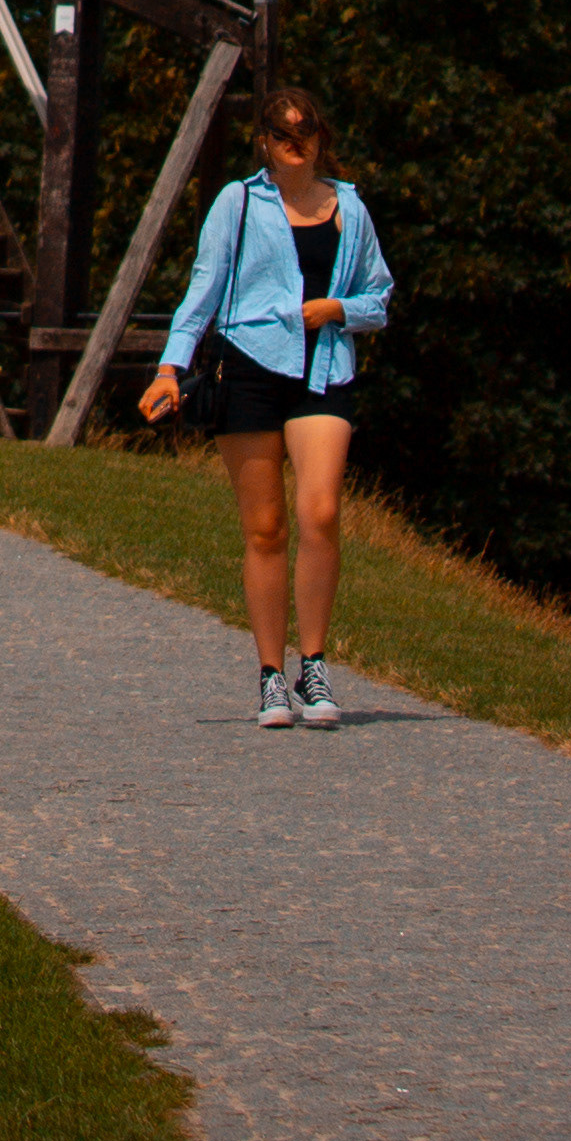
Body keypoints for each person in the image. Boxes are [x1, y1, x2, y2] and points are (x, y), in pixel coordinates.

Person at [139, 95, 392, 725]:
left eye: (305, 133)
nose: (294, 144)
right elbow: (204, 287)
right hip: (249, 365)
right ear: (265, 143)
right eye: (282, 135)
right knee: (265, 528)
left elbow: (379, 297)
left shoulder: (349, 208)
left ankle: (315, 664)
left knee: (321, 511)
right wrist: (170, 366)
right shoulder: (239, 202)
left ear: (321, 137)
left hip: (323, 368)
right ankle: (271, 675)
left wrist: (338, 310)